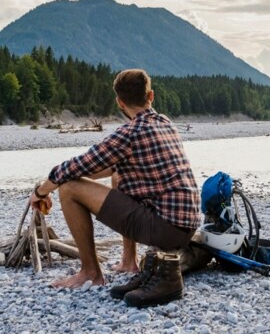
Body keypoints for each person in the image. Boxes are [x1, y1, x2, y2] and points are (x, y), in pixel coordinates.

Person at [29, 69, 201, 307]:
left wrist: (42, 191)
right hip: (186, 226)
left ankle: (90, 272)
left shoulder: (129, 134)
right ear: (151, 96)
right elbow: (105, 167)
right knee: (118, 172)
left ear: (119, 102)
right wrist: (58, 183)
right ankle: (128, 261)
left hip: (165, 229)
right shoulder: (165, 123)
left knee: (68, 188)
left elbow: (77, 166)